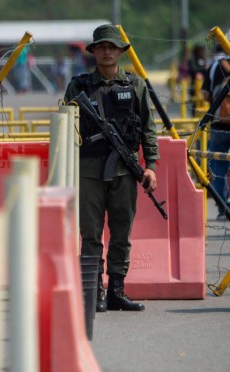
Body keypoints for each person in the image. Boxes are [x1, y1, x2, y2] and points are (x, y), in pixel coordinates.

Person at [64, 24, 160, 312]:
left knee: (121, 232)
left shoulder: (136, 85)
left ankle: (117, 290)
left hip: (124, 172)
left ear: (120, 51)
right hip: (88, 172)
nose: (107, 52)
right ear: (94, 52)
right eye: (101, 47)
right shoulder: (78, 86)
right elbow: (66, 128)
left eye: (112, 47)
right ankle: (94, 294)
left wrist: (151, 165)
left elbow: (148, 129)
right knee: (91, 234)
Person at [202, 24, 230, 220]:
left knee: (218, 165)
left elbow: (205, 93)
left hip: (218, 123)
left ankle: (222, 206)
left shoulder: (215, 65)